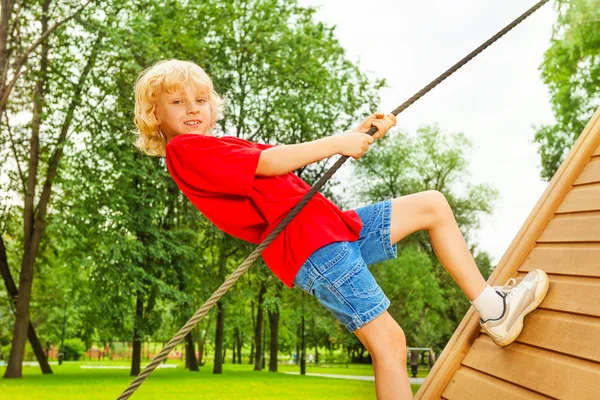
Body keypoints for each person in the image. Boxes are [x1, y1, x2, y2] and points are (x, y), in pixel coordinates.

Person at [132, 59, 550, 400]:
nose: (193, 108)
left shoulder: (221, 145)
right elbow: (271, 163)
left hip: (335, 228)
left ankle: (493, 308)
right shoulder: (188, 151)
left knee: (432, 206)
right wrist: (337, 142)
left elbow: (280, 162)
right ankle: (494, 310)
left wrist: (355, 135)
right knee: (389, 343)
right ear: (155, 115)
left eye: (200, 99)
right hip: (314, 248)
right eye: (177, 101)